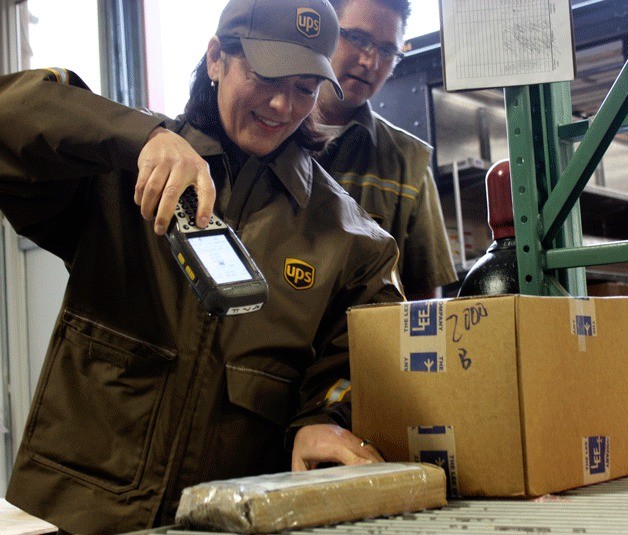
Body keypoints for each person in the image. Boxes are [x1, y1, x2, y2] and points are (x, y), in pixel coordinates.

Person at [0, 0, 403, 532]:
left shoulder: (349, 240)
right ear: (216, 58)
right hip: (84, 513)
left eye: (305, 88)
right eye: (265, 77)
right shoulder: (121, 174)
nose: (283, 103)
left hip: (232, 520)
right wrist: (142, 136)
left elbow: (362, 360)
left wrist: (321, 421)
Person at [314, 0, 457, 300]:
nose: (370, 62)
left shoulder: (409, 165)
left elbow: (423, 300)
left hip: (369, 346)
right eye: (357, 38)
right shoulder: (266, 134)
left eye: (387, 50)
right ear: (321, 32)